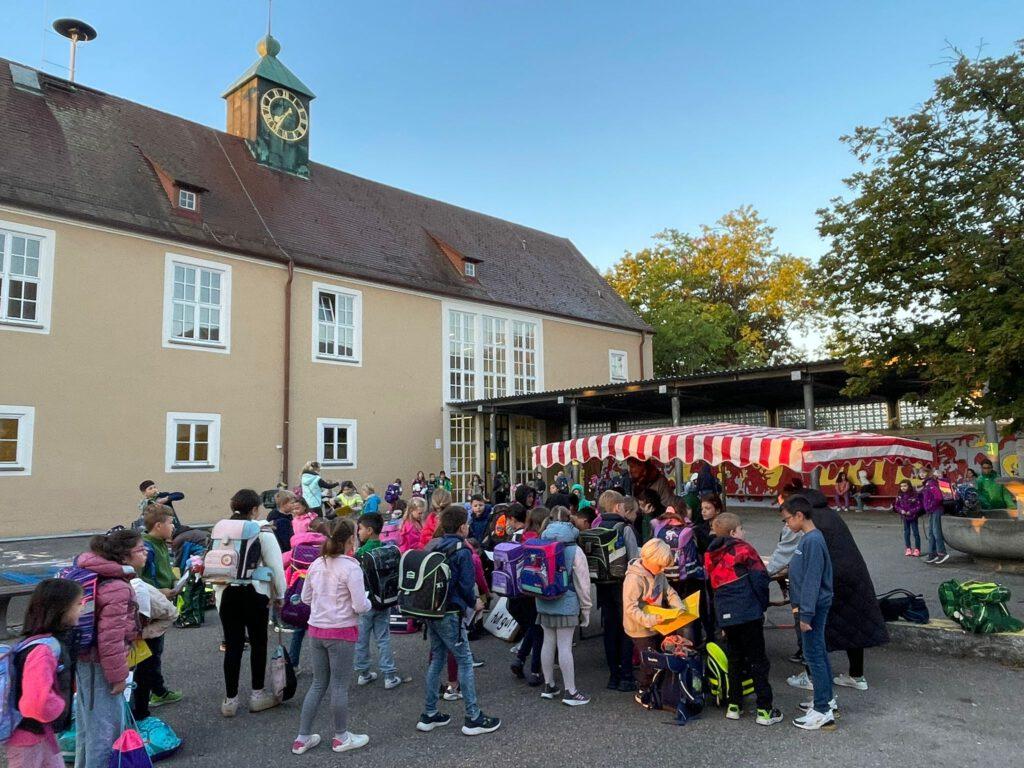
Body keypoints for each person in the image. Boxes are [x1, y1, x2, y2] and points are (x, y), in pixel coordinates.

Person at [782, 486, 888, 697]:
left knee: (813, 634)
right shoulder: (830, 514)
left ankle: (813, 679)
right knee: (853, 625)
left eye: (786, 518)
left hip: (830, 580)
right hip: (854, 576)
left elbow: (793, 558)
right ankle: (856, 676)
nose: (786, 522)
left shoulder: (810, 527)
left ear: (799, 511)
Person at [416, 505, 501, 736]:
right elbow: (465, 585)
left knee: (437, 659)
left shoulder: (433, 544)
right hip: (451, 611)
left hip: (430, 610)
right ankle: (473, 716)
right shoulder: (461, 550)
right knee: (464, 660)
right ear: (463, 526)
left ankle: (430, 712)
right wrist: (475, 603)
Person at [292, 519, 371, 755]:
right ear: (350, 541)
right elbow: (360, 605)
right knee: (339, 685)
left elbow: (306, 598)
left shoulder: (317, 563)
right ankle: (341, 736)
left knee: (318, 684)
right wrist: (367, 602)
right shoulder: (351, 567)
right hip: (342, 631)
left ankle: (302, 737)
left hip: (316, 629)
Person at [704, 513, 782, 726]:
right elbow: (760, 579)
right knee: (758, 661)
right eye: (740, 529)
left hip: (726, 614)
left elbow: (711, 587)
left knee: (735, 660)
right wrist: (761, 605)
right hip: (748, 612)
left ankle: (734, 705)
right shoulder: (744, 550)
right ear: (732, 533)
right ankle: (765, 710)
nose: (743, 532)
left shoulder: (711, 555)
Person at [72, 529, 141, 768]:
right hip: (101, 666)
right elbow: (110, 639)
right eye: (141, 550)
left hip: (84, 661)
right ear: (124, 557)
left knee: (87, 728)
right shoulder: (117, 587)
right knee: (105, 732)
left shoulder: (94, 574)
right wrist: (118, 677)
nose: (145, 554)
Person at [217, 489, 287, 717]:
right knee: (258, 643)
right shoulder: (262, 532)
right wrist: (280, 596)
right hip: (255, 594)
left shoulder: (221, 531)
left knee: (233, 645)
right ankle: (257, 695)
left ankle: (230, 700)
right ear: (255, 509)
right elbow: (276, 567)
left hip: (228, 593)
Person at [4, 579, 81, 768]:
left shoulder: (44, 643)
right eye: (78, 604)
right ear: (60, 609)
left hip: (40, 733)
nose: (82, 609)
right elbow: (34, 703)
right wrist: (60, 706)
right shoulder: (43, 650)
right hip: (29, 736)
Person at [780, 496, 835, 730]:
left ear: (799, 516)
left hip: (811, 607)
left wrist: (805, 615)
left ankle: (822, 709)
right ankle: (826, 699)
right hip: (811, 605)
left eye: (788, 519)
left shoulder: (812, 541)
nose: (787, 525)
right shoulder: (810, 538)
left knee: (814, 656)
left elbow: (812, 580)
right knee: (818, 652)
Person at [534, 507, 593, 705]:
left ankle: (549, 685)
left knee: (547, 642)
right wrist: (586, 609)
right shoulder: (574, 549)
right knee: (565, 646)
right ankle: (571, 691)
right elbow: (583, 584)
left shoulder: (541, 542)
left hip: (543, 599)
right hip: (566, 601)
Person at [623, 538, 684, 709]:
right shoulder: (634, 579)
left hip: (656, 623)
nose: (662, 570)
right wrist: (650, 620)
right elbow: (630, 608)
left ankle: (654, 686)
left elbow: (668, 591)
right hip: (640, 627)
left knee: (657, 655)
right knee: (648, 660)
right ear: (648, 560)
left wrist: (678, 606)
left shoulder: (658, 572)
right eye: (660, 566)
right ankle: (643, 690)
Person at [353, 513, 406, 690]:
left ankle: (363, 673)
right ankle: (389, 675)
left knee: (362, 638)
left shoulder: (360, 553)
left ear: (369, 530)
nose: (358, 532)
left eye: (360, 529)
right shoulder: (388, 549)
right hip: (384, 600)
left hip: (365, 602)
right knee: (383, 638)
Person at [137, 506, 183, 711]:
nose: (174, 526)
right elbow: (137, 582)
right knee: (150, 654)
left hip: (161, 601)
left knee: (155, 652)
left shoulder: (162, 544)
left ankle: (157, 690)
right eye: (170, 522)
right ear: (158, 525)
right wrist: (159, 591)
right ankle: (149, 696)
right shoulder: (146, 548)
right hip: (151, 607)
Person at [595, 490, 640, 691]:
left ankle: (613, 675)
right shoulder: (624, 527)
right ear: (617, 507)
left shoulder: (596, 526)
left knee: (610, 630)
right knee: (626, 629)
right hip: (623, 585)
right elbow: (633, 559)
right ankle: (626, 676)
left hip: (603, 585)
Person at [129, 559, 179, 724]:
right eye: (139, 550)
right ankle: (138, 714)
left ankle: (151, 699)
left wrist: (142, 632)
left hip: (145, 632)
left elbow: (170, 614)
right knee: (139, 672)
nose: (144, 553)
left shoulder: (152, 599)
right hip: (133, 633)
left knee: (147, 666)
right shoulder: (133, 589)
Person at [283, 518, 330, 667]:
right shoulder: (326, 549)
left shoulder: (297, 548)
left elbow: (281, 562)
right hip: (320, 596)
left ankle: (293, 664)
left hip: (298, 593)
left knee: (298, 631)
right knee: (323, 633)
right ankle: (324, 665)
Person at [505, 504, 542, 686]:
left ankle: (520, 659)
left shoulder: (515, 537)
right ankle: (535, 670)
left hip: (515, 589)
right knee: (537, 628)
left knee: (531, 627)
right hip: (531, 588)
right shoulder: (536, 538)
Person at [920, 470, 949, 564]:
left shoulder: (931, 484)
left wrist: (931, 506)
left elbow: (938, 497)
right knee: (931, 532)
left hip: (936, 510)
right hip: (932, 510)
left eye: (924, 472)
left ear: (930, 474)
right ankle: (932, 554)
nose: (921, 474)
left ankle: (942, 553)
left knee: (936, 532)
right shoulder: (928, 483)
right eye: (920, 473)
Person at [893, 480, 923, 557]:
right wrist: (901, 511)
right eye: (901, 486)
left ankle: (917, 549)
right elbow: (896, 506)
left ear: (909, 486)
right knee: (907, 533)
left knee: (916, 533)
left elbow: (919, 506)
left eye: (905, 486)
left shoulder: (914, 495)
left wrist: (911, 511)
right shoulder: (899, 496)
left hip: (913, 517)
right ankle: (908, 548)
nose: (903, 488)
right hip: (905, 517)